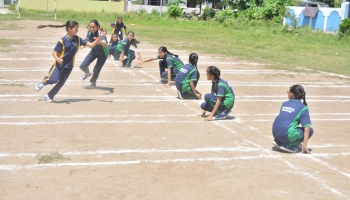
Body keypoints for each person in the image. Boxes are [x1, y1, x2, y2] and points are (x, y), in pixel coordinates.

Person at [35, 20, 101, 102]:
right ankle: (43, 82)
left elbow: (91, 45)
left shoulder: (78, 39)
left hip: (69, 65)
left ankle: (49, 95)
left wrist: (99, 38)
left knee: (61, 82)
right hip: (59, 64)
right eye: (76, 29)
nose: (77, 30)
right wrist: (58, 59)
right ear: (69, 29)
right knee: (53, 80)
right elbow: (54, 52)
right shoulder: (62, 40)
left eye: (78, 29)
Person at [272, 85, 314, 154]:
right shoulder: (303, 107)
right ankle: (288, 145)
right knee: (310, 131)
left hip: (275, 132)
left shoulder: (284, 104)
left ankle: (278, 141)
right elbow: (307, 127)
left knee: (288, 126)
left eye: (288, 92)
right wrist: (304, 145)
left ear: (291, 94)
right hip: (285, 134)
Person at [79, 20, 108, 88]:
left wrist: (99, 40)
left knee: (96, 69)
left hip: (103, 54)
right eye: (90, 27)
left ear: (98, 27)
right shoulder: (90, 33)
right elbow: (86, 40)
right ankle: (87, 73)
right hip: (94, 52)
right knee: (82, 66)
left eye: (94, 27)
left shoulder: (101, 34)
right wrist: (83, 45)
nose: (92, 29)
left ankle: (93, 82)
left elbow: (105, 44)